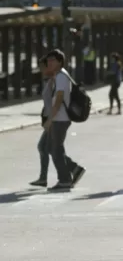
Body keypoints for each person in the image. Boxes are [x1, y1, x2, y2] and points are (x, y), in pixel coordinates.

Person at [42, 49, 86, 191]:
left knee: (55, 150)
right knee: (51, 148)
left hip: (60, 119)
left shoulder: (61, 76)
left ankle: (65, 179)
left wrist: (50, 119)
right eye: (48, 61)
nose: (49, 63)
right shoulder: (58, 76)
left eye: (52, 60)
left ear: (60, 62)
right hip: (59, 118)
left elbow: (59, 99)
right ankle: (74, 169)